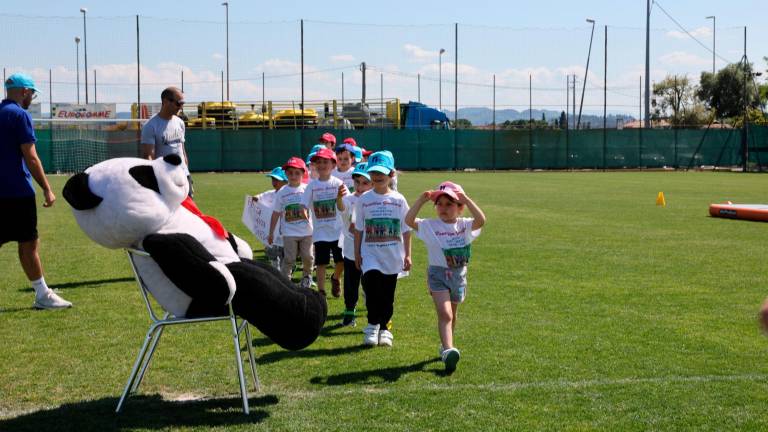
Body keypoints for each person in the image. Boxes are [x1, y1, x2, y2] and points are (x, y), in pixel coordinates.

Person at [1, 73, 72, 309]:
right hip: (17, 191)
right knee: (29, 243)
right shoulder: (20, 115)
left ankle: (43, 293)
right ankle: (42, 295)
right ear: (24, 92)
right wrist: (47, 189)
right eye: (31, 93)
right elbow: (30, 156)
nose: (32, 97)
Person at [405, 181, 486, 372]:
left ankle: (446, 345)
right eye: (439, 204)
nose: (443, 208)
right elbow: (408, 221)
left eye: (449, 204)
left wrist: (466, 199)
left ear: (460, 208)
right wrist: (420, 201)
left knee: (453, 315)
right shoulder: (429, 225)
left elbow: (481, 220)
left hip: (458, 275)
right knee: (445, 313)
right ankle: (449, 350)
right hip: (438, 275)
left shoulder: (465, 225)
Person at [354, 151, 411, 347]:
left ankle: (385, 329)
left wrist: (408, 254)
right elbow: (359, 229)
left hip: (392, 255)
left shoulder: (399, 200)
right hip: (370, 254)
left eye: (382, 172)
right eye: (374, 172)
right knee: (371, 288)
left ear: (391, 174)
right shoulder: (363, 200)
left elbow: (406, 229)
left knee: (387, 294)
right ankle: (372, 325)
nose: (378, 176)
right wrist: (357, 253)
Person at [303, 148, 346, 297]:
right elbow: (304, 205)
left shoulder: (338, 183)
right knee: (321, 263)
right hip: (320, 232)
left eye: (325, 162)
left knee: (342, 261)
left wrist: (340, 199)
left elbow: (344, 207)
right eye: (318, 162)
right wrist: (304, 213)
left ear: (333, 165)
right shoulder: (312, 185)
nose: (321, 165)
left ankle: (335, 277)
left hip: (338, 230)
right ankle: (321, 292)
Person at [268, 157, 313, 289]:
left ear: (303, 173)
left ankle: (306, 278)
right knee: (289, 259)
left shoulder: (307, 189)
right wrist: (271, 233)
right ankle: (285, 282)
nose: (293, 176)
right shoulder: (282, 192)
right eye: (290, 173)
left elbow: (316, 209)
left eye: (297, 173)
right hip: (289, 233)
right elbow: (276, 213)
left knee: (308, 257)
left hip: (307, 232)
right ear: (286, 174)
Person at [337, 162, 372, 327]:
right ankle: (349, 311)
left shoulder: (374, 201)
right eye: (357, 182)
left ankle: (374, 312)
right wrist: (338, 198)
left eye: (365, 183)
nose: (360, 186)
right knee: (351, 282)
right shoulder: (349, 199)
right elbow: (342, 208)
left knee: (369, 283)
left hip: (370, 251)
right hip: (351, 250)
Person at [141, 87, 192, 196]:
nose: (181, 107)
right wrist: (154, 181)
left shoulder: (180, 123)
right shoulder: (150, 126)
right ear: (165, 101)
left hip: (183, 176)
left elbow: (182, 151)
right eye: (178, 103)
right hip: (166, 179)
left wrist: (188, 175)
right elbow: (148, 156)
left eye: (183, 103)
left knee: (188, 211)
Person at [253, 167, 288, 270]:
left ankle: (284, 274)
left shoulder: (289, 193)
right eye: (273, 179)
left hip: (286, 233)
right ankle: (275, 270)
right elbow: (257, 197)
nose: (274, 182)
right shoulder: (270, 194)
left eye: (277, 179)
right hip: (272, 233)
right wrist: (255, 198)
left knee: (285, 257)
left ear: (285, 180)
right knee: (272, 254)